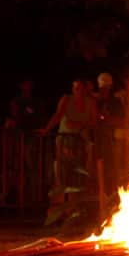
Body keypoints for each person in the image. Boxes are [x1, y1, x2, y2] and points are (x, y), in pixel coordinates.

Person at [39, 79, 97, 213]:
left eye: (81, 88)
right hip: (64, 140)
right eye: (75, 88)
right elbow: (58, 115)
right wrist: (47, 130)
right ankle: (55, 210)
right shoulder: (66, 99)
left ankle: (73, 209)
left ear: (85, 90)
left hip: (81, 142)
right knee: (61, 173)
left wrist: (81, 126)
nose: (78, 91)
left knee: (78, 175)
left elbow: (94, 121)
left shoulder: (91, 102)